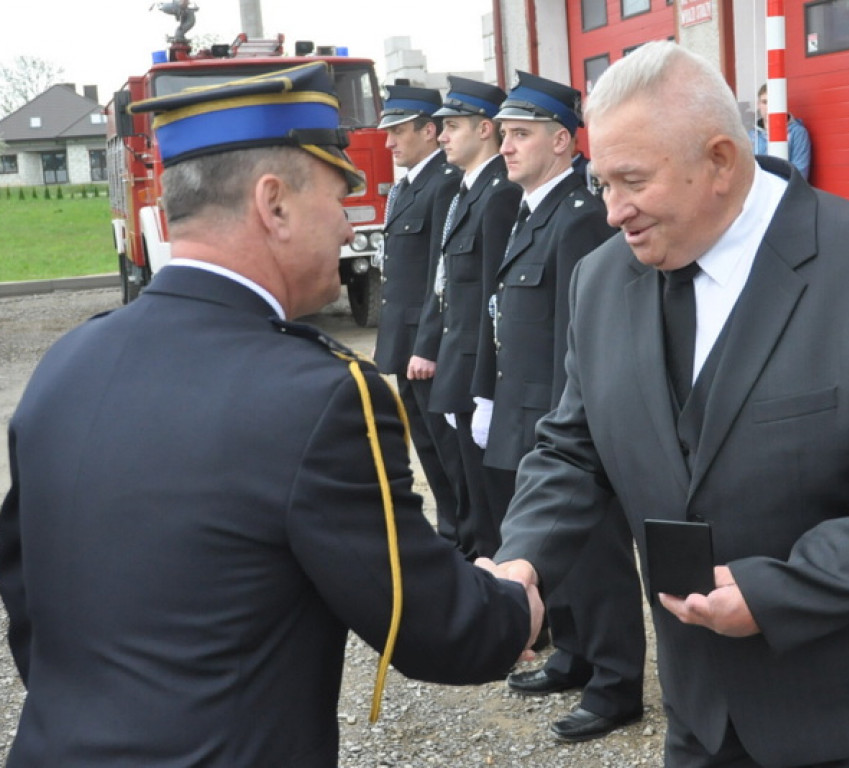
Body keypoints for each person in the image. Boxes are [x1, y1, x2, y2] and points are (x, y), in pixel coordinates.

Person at [0, 62, 542, 767]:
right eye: (338, 197)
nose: (350, 229)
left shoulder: (68, 364)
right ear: (274, 203)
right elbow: (438, 628)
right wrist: (511, 603)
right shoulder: (319, 396)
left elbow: (27, 596)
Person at [486, 41, 849, 767]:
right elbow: (572, 446)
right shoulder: (600, 281)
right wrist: (524, 561)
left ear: (722, 160)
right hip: (706, 707)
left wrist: (775, 592)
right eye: (601, 182)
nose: (612, 212)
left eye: (631, 180)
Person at [481, 71, 646, 742]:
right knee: (560, 552)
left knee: (598, 554)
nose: (506, 148)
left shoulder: (579, 218)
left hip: (568, 415)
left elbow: (581, 337)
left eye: (519, 135)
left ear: (561, 141)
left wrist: (575, 426)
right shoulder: (533, 211)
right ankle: (576, 652)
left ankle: (616, 683)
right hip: (531, 410)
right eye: (503, 136)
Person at [416, 76, 521, 559]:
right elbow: (448, 286)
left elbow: (492, 301)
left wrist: (485, 389)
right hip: (458, 365)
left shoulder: (498, 194)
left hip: (477, 371)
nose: (441, 137)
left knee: (490, 505)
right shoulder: (468, 191)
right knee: (473, 499)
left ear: (485, 130)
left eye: (451, 126)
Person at [374, 84, 468, 552]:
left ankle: (463, 541)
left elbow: (441, 271)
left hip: (424, 348)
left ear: (428, 131)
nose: (389, 142)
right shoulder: (411, 185)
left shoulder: (445, 182)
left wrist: (426, 346)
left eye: (398, 132)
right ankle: (451, 537)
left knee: (450, 455)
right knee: (429, 453)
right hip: (403, 341)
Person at [749, 82, 811, 179]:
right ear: (758, 104)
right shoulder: (752, 135)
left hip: (786, 191)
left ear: (782, 103)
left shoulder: (797, 133)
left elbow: (800, 174)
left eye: (773, 101)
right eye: (765, 102)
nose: (769, 107)